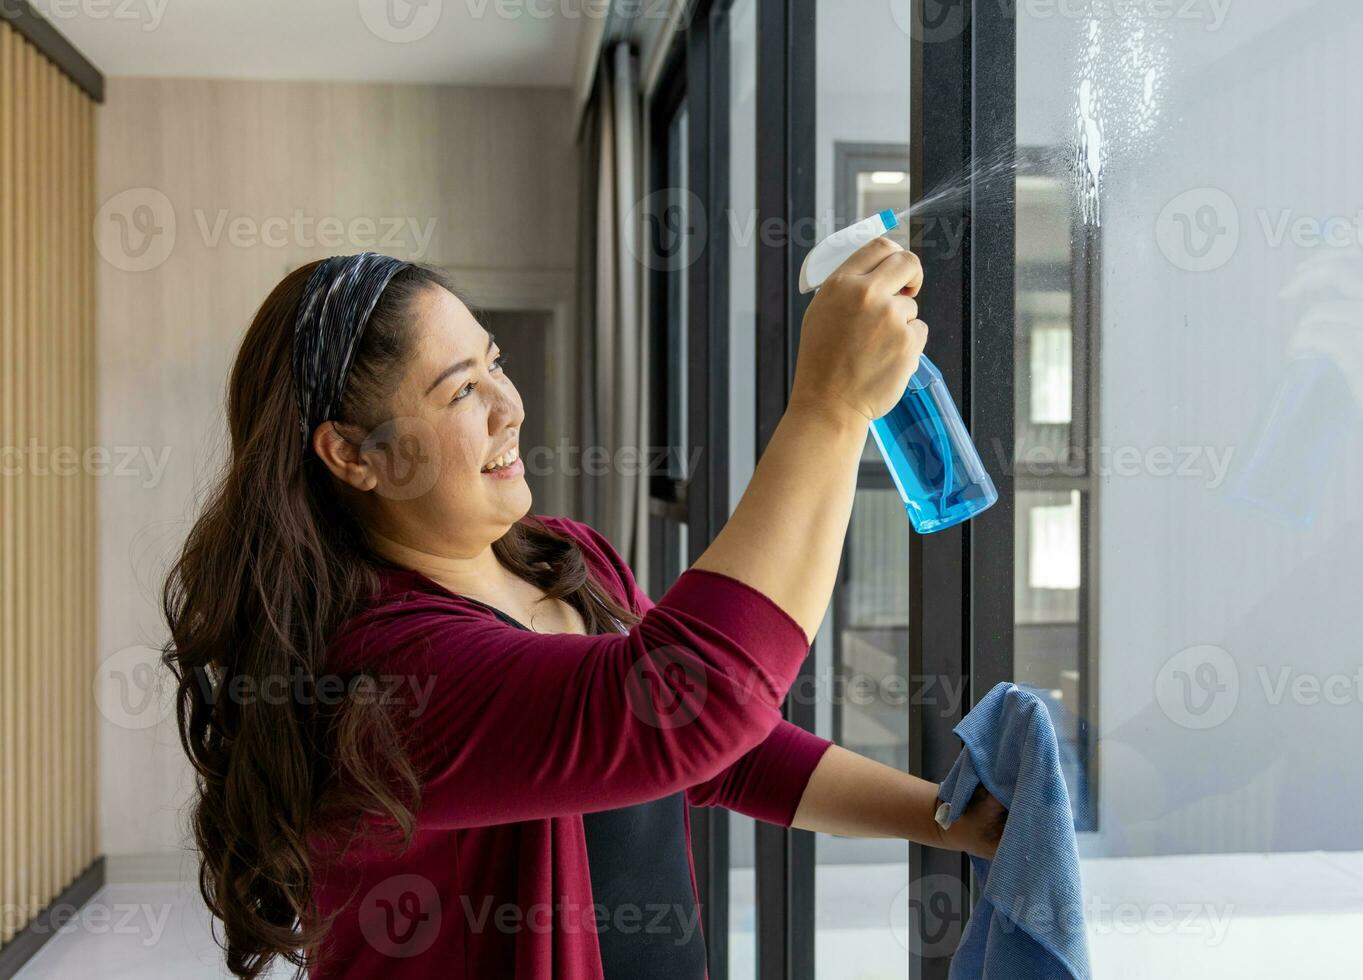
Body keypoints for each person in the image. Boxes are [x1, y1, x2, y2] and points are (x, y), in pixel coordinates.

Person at [162, 244, 1006, 979]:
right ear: (353, 455)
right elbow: (695, 705)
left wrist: (955, 820)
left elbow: (726, 753)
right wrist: (829, 409)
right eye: (462, 391)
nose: (510, 404)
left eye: (494, 362)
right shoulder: (380, 666)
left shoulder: (567, 561)